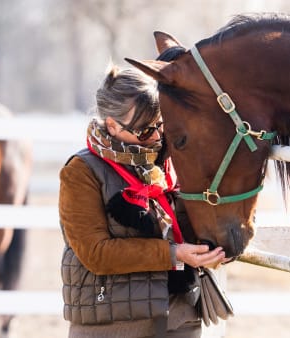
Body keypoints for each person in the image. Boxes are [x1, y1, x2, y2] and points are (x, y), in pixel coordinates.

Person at [58, 64, 226, 338]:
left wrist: (210, 249)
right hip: (113, 324)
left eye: (161, 125)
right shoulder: (81, 172)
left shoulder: (173, 161)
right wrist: (174, 254)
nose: (158, 137)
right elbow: (95, 253)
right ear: (112, 125)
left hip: (182, 315)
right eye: (146, 131)